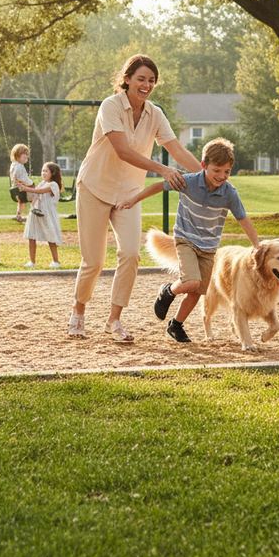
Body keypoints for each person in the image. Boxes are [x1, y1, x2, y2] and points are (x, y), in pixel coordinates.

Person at [66, 54, 202, 343]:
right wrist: (162, 170)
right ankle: (78, 311)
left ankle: (114, 320)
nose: (147, 84)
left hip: (128, 193)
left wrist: (206, 174)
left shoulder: (155, 113)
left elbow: (175, 148)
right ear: (127, 79)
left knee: (130, 253)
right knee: (94, 261)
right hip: (94, 187)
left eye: (151, 80)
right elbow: (123, 151)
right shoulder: (110, 106)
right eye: (141, 78)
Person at [117, 137, 259, 343]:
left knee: (197, 292)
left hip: (209, 247)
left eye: (226, 172)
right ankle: (167, 291)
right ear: (204, 166)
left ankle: (176, 325)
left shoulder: (229, 193)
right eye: (216, 170)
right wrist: (133, 200)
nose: (221, 176)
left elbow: (242, 218)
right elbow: (158, 187)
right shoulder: (188, 181)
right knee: (191, 281)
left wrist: (256, 244)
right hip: (186, 240)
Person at [23, 162, 64, 268]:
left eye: (46, 171)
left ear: (53, 173)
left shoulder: (53, 184)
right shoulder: (42, 183)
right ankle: (32, 261)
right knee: (31, 236)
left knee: (51, 237)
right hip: (37, 213)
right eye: (42, 171)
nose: (43, 173)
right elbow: (35, 195)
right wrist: (32, 201)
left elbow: (40, 191)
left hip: (47, 215)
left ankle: (56, 261)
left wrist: (26, 188)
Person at [9, 144, 41, 221]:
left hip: (16, 189)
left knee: (21, 202)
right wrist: (32, 183)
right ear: (17, 156)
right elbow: (24, 179)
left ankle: (18, 215)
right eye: (24, 157)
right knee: (37, 195)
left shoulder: (13, 165)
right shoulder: (19, 167)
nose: (26, 158)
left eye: (27, 156)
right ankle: (33, 212)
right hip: (23, 189)